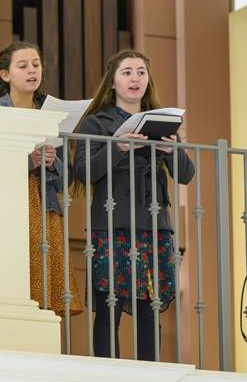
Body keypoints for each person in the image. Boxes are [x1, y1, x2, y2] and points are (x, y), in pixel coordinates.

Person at [72, 49, 194, 360]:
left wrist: (173, 150)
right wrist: (120, 146)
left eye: (141, 71)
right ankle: (107, 374)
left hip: (152, 225)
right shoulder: (95, 122)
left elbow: (186, 176)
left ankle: (149, 375)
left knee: (149, 309)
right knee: (108, 308)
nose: (135, 78)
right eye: (127, 72)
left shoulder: (163, 120)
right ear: (112, 82)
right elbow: (85, 172)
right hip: (112, 224)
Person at [0, 41, 83, 318]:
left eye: (36, 65)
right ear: (6, 75)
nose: (32, 71)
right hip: (7, 204)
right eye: (23, 65)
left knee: (43, 277)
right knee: (9, 272)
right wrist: (29, 161)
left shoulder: (51, 115)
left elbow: (66, 183)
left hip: (44, 204)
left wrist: (52, 163)